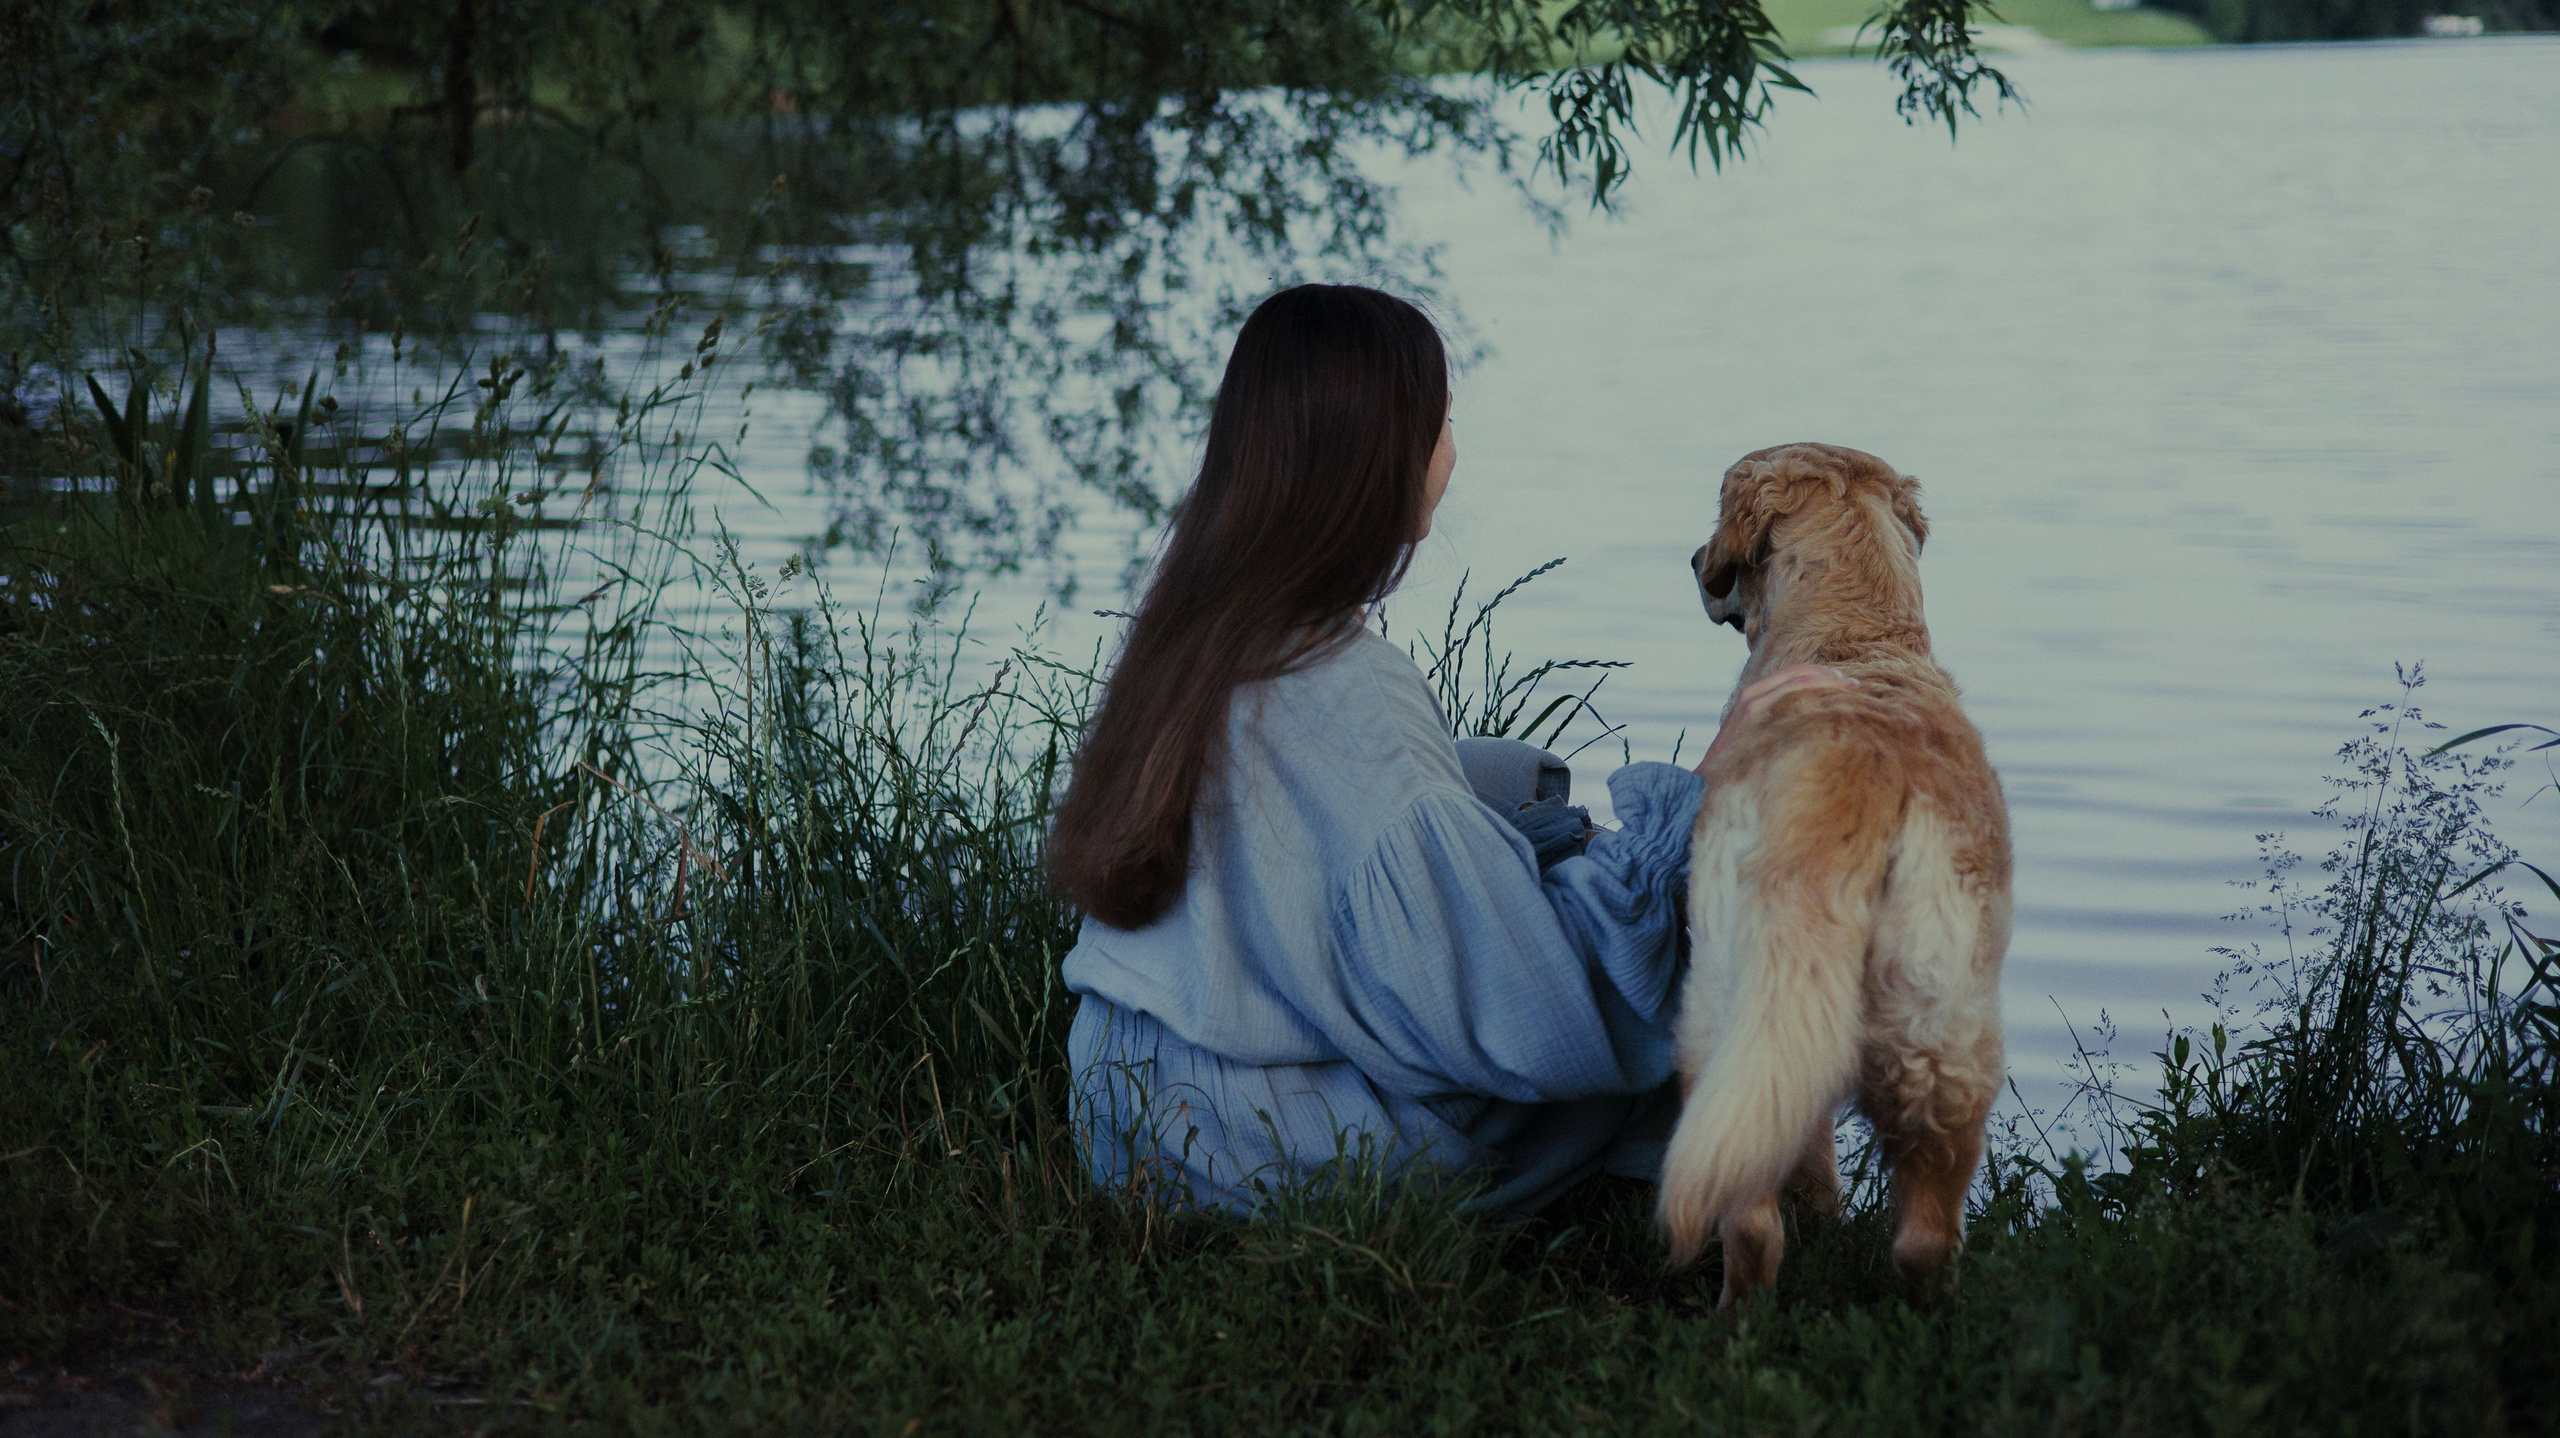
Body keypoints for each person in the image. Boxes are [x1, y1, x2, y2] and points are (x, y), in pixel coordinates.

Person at [1048, 283, 1847, 1217]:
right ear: (1384, 462)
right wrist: (1712, 782)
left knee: (1503, 783)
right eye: (1443, 424)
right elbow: (1532, 1009)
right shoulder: (1347, 687)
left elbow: (1333, 838)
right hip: (1253, 1149)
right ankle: (1725, 1221)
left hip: (1127, 1111)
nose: (1451, 451)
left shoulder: (1193, 629)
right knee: (1688, 996)